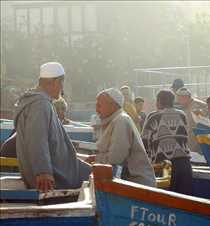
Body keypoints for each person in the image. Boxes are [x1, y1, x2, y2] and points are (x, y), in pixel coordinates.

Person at [14, 62, 91, 192]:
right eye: (61, 83)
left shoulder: (37, 102)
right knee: (99, 176)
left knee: (93, 171)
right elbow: (37, 139)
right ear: (53, 82)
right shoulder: (40, 104)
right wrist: (43, 171)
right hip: (55, 174)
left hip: (53, 168)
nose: (62, 88)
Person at [89, 88, 156, 187]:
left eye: (99, 105)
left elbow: (115, 158)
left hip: (137, 184)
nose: (96, 110)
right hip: (128, 182)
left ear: (112, 105)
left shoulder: (121, 120)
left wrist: (95, 159)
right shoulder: (115, 120)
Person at [142, 89, 192, 195]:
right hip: (184, 163)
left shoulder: (153, 116)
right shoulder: (182, 114)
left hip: (163, 165)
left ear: (159, 101)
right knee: (185, 199)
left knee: (166, 200)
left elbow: (144, 142)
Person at [176, 87, 203, 153]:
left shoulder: (196, 106)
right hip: (191, 141)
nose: (178, 100)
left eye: (180, 98)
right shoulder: (186, 106)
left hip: (197, 141)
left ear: (185, 97)